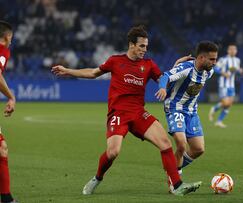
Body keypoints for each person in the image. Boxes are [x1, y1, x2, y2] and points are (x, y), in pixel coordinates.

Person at [51, 25, 201, 196]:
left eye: (146, 46)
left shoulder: (148, 64)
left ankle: (177, 185)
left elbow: (164, 79)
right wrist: (68, 71)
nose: (145, 50)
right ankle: (97, 178)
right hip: (118, 113)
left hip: (138, 113)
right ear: (131, 44)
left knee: (165, 144)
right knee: (113, 152)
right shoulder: (115, 61)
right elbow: (93, 73)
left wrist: (173, 70)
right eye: (141, 46)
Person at [155, 41, 218, 188]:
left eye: (215, 59)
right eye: (212, 59)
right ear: (201, 58)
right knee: (181, 144)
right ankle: (175, 183)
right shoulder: (186, 68)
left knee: (198, 149)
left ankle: (174, 168)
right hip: (175, 108)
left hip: (191, 112)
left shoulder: (209, 72)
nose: (215, 63)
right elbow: (165, 76)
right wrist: (163, 88)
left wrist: (176, 63)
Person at [0, 20, 18, 203]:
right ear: (7, 36)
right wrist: (11, 97)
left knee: (1, 149)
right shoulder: (3, 50)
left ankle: (6, 198)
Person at [208, 43, 243, 128]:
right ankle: (214, 109)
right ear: (228, 50)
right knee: (225, 102)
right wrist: (223, 73)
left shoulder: (237, 60)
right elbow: (215, 68)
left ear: (236, 51)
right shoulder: (223, 59)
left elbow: (236, 70)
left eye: (234, 49)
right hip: (223, 84)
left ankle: (219, 121)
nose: (233, 51)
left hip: (231, 85)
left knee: (229, 104)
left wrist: (240, 70)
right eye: (231, 49)